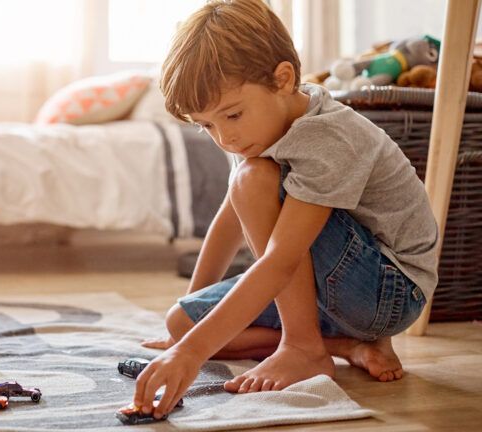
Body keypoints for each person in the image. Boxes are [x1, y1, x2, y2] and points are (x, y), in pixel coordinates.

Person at [133, 0, 439, 420]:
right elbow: (231, 218)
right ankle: (346, 347)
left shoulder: (327, 136)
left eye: (232, 115)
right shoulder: (257, 128)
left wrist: (192, 354)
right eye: (206, 125)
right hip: (337, 290)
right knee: (180, 323)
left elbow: (280, 261)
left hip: (390, 289)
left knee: (253, 180)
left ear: (283, 79)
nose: (224, 137)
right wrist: (192, 319)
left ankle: (303, 347)